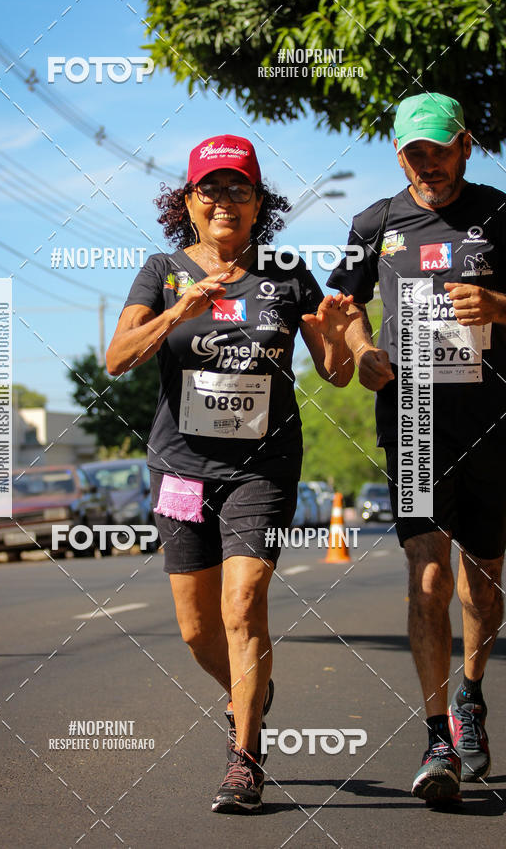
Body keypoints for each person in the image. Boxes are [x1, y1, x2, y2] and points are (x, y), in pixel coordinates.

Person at [106, 134, 356, 813]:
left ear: (258, 203)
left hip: (262, 468)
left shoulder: (285, 270)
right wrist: (174, 314)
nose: (224, 200)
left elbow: (336, 373)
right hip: (182, 469)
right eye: (210, 189)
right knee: (196, 630)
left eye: (238, 189)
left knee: (243, 605)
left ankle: (245, 758)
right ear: (187, 201)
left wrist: (334, 334)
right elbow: (117, 358)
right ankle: (252, 691)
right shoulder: (161, 271)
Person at [328, 93, 506, 803]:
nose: (426, 162)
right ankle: (437, 738)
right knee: (428, 570)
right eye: (413, 152)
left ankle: (469, 695)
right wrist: (364, 350)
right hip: (414, 417)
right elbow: (341, 310)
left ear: (465, 144)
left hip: (492, 419)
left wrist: (498, 307)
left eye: (438, 147)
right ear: (397, 153)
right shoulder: (374, 222)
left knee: (483, 576)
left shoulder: (501, 212)